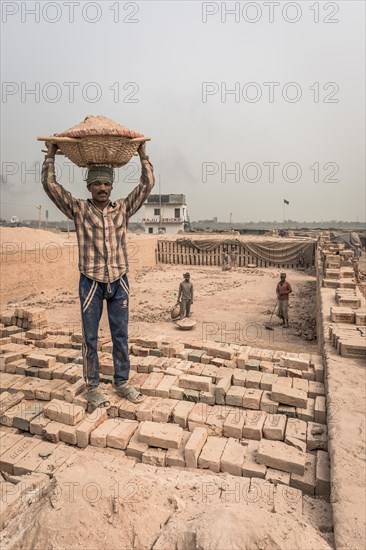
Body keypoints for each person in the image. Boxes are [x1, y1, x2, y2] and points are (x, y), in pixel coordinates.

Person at [41, 140, 154, 409]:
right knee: (90, 337)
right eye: (97, 184)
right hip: (91, 282)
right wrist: (52, 156)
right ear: (89, 187)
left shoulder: (123, 209)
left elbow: (146, 185)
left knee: (121, 335)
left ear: (112, 186)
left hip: (119, 281)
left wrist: (142, 155)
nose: (102, 188)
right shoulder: (79, 209)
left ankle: (122, 382)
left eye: (106, 184)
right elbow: (51, 187)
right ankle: (92, 386)